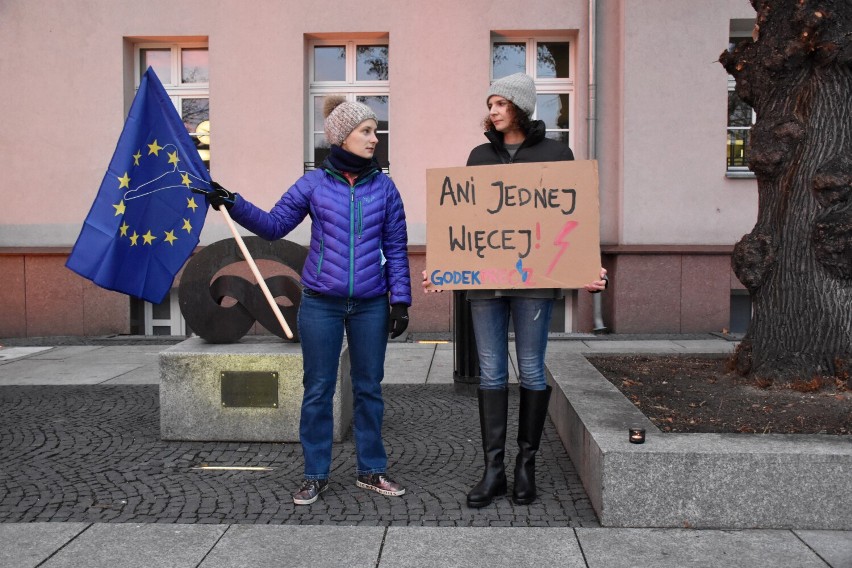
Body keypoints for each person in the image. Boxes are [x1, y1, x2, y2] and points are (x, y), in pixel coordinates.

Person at [204, 96, 412, 506]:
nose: (375, 138)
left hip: (371, 303)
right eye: (366, 131)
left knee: (369, 389)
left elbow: (396, 246)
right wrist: (233, 201)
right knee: (318, 388)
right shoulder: (313, 184)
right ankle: (315, 474)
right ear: (341, 136)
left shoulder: (385, 187)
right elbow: (275, 224)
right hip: (321, 302)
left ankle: (371, 470)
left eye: (374, 130)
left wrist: (400, 301)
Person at [428, 72, 607, 508]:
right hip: (487, 288)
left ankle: (526, 465)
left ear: (521, 108)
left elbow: (573, 217)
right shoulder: (478, 156)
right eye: (490, 104)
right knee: (490, 371)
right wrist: (444, 267)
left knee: (530, 367)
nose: (492, 111)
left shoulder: (557, 154)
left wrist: (587, 266)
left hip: (534, 285)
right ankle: (493, 470)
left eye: (501, 104)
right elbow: (465, 220)